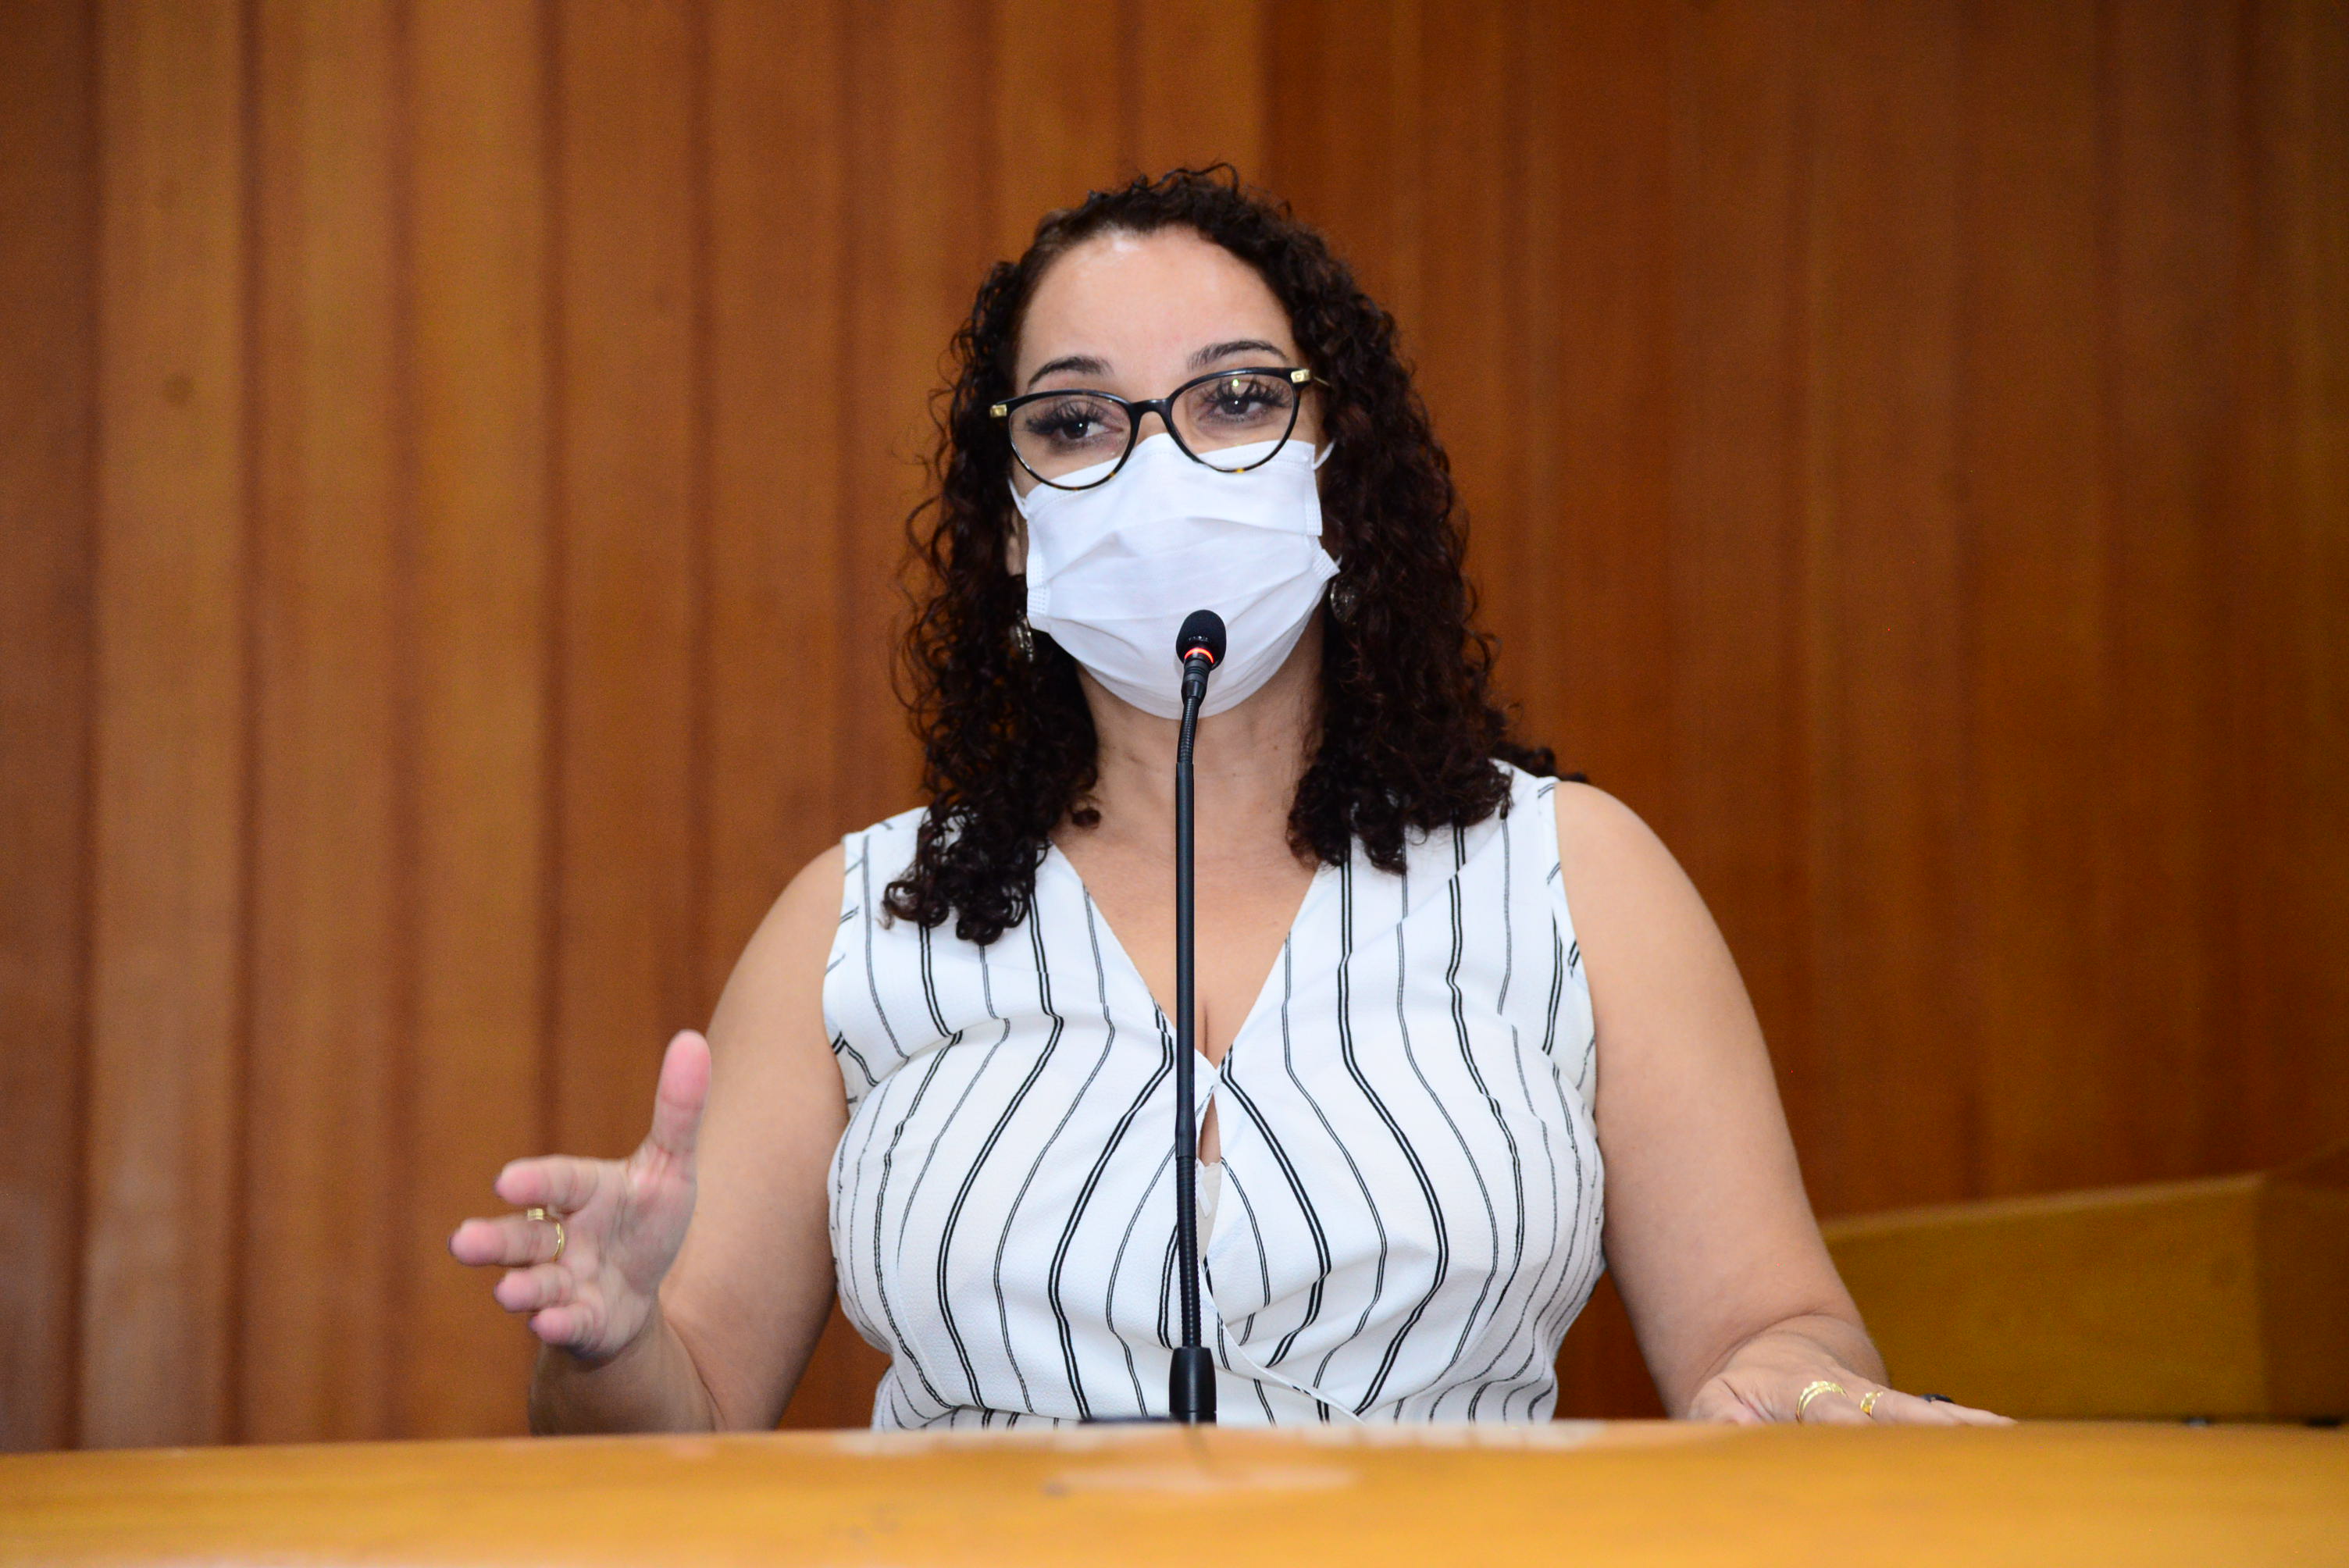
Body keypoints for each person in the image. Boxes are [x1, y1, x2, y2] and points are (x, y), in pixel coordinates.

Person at [451, 168, 2006, 1432]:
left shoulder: (1572, 877)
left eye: (1238, 398)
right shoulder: (856, 925)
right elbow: (682, 1425)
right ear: (1011, 525)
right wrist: (613, 1341)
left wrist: (1798, 1393)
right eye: (1076, 420)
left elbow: (1769, 1326)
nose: (1160, 467)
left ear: (1338, 463)